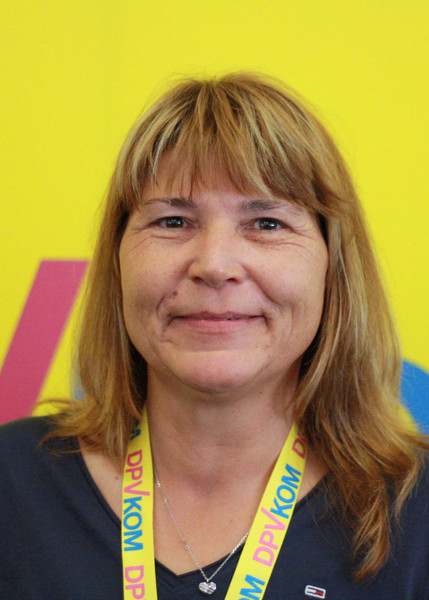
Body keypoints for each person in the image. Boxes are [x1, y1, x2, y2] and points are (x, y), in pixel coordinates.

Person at [1, 73, 428, 600]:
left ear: (333, 268)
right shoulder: (11, 482)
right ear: (118, 262)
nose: (215, 264)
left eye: (266, 223)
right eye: (173, 221)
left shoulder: (419, 510)